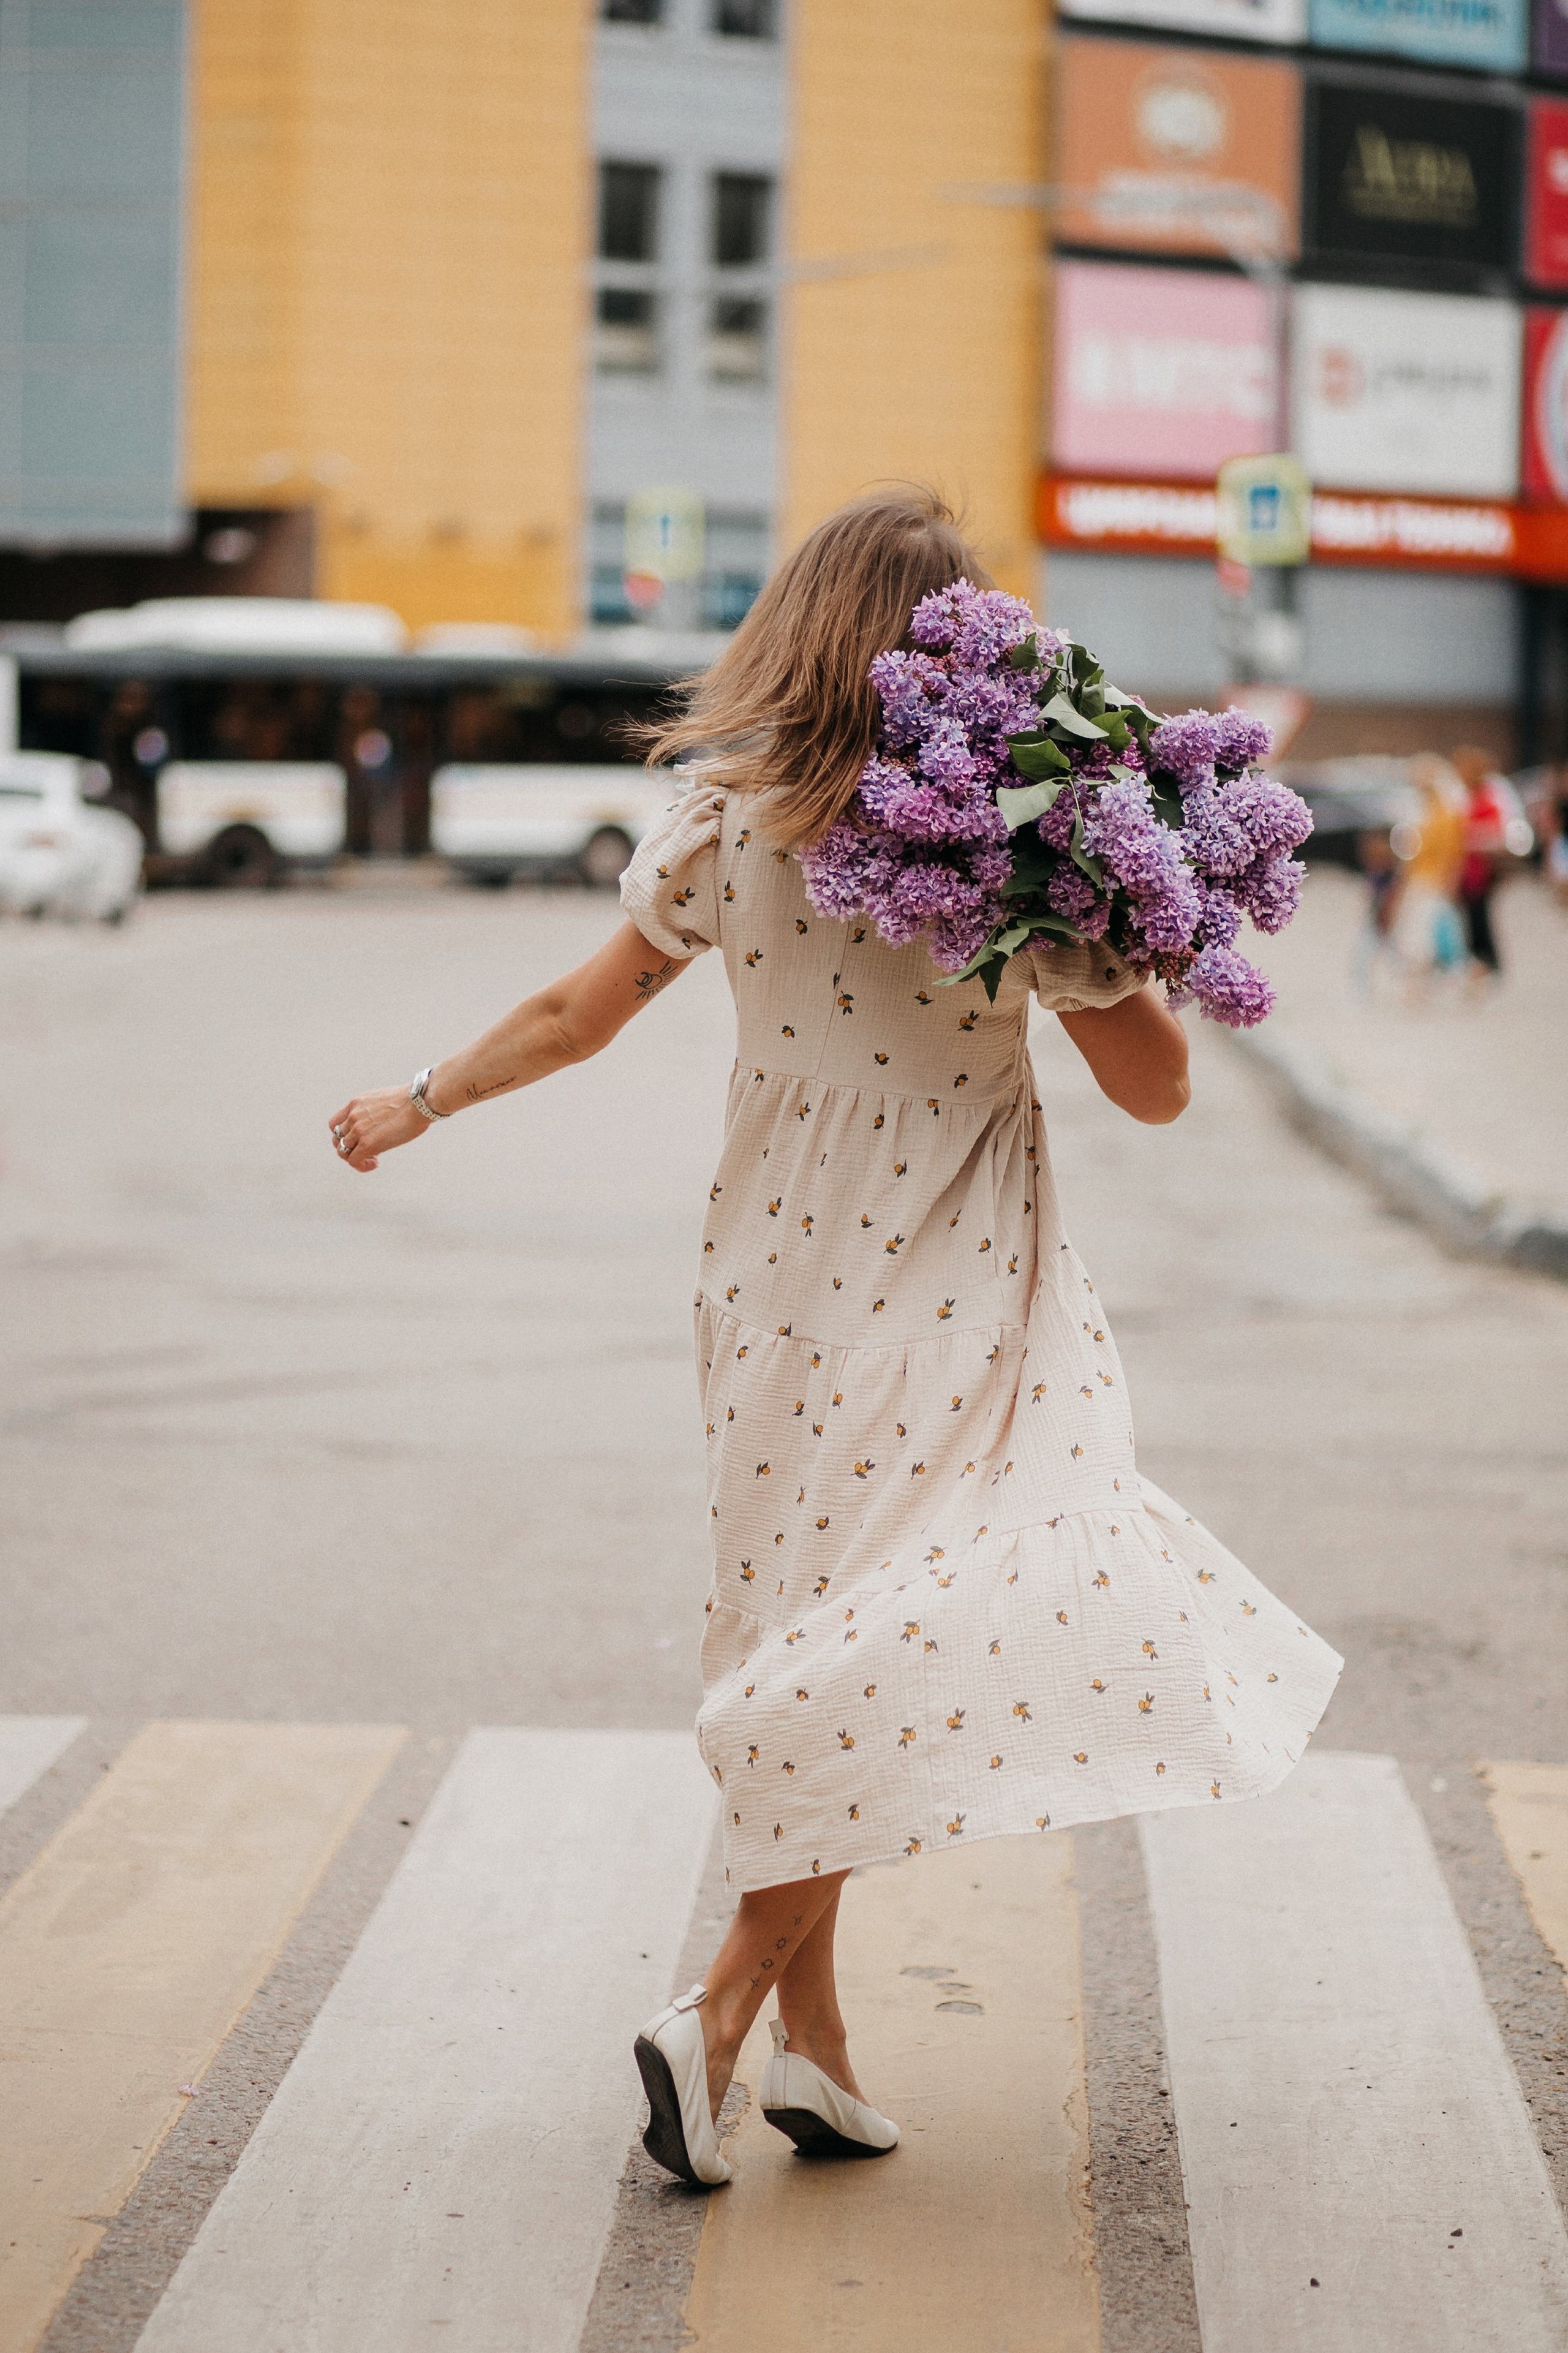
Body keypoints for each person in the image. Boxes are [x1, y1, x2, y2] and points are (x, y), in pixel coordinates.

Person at [327, 490, 1342, 2189]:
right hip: (956, 1278)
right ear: (969, 651)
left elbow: (580, 1014)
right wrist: (1123, 929)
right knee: (882, 1646)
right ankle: (720, 2012)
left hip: (767, 1280)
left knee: (816, 1644)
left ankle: (823, 2055)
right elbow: (1157, 1093)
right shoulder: (1013, 840)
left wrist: (417, 1100)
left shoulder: (721, 819)